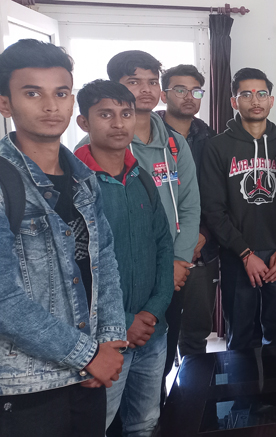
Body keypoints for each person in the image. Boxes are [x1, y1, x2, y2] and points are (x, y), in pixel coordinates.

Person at [0, 39, 126, 436]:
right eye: (32, 93)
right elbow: (4, 299)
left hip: (87, 374)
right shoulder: (4, 183)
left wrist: (107, 343)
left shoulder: (82, 178)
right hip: (28, 384)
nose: (51, 106)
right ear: (5, 104)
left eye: (61, 93)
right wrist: (88, 354)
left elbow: (104, 260)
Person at [76, 51, 202, 384]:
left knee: (159, 358)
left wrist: (179, 261)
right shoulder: (91, 151)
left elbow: (190, 205)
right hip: (116, 282)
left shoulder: (175, 143)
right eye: (133, 82)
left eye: (151, 82)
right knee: (113, 378)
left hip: (172, 270)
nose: (144, 90)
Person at [74, 80, 174, 436]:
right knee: (95, 425)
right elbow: (73, 272)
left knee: (145, 423)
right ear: (83, 122)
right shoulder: (72, 185)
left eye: (125, 114)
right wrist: (125, 321)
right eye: (105, 114)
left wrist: (153, 311)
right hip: (102, 341)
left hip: (152, 333)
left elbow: (164, 246)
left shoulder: (142, 179)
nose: (118, 124)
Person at [202, 68, 276, 350]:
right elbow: (213, 208)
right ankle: (243, 394)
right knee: (240, 336)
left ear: (271, 100)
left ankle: (275, 393)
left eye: (261, 94)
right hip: (237, 255)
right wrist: (244, 253)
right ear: (234, 101)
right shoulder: (216, 147)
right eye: (246, 94)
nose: (255, 100)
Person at [158, 64, 219, 357]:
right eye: (179, 89)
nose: (188, 97)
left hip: (201, 249)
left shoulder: (212, 139)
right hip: (159, 252)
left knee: (195, 334)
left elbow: (218, 196)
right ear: (163, 94)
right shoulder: (149, 137)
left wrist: (203, 234)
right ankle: (159, 401)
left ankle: (193, 402)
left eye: (195, 91)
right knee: (156, 333)